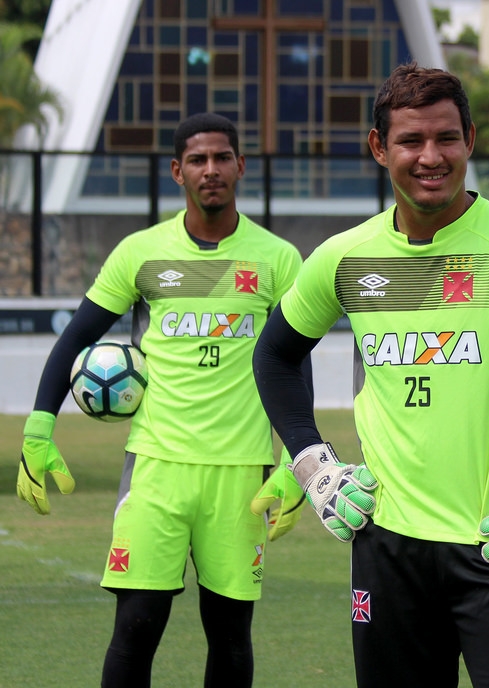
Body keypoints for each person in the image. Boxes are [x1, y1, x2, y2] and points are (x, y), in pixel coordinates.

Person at [251, 63, 489, 688]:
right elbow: (274, 355)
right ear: (379, 147)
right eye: (411, 140)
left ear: (470, 140)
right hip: (384, 547)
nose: (430, 157)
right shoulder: (345, 257)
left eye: (446, 138)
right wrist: (312, 463)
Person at [16, 112, 305, 688]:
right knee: (135, 627)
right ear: (178, 171)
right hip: (155, 466)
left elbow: (292, 364)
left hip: (240, 472)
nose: (210, 169)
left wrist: (296, 459)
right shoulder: (141, 253)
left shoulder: (278, 259)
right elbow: (75, 339)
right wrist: (38, 429)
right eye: (197, 159)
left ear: (241, 166)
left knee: (230, 634)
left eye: (221, 157)